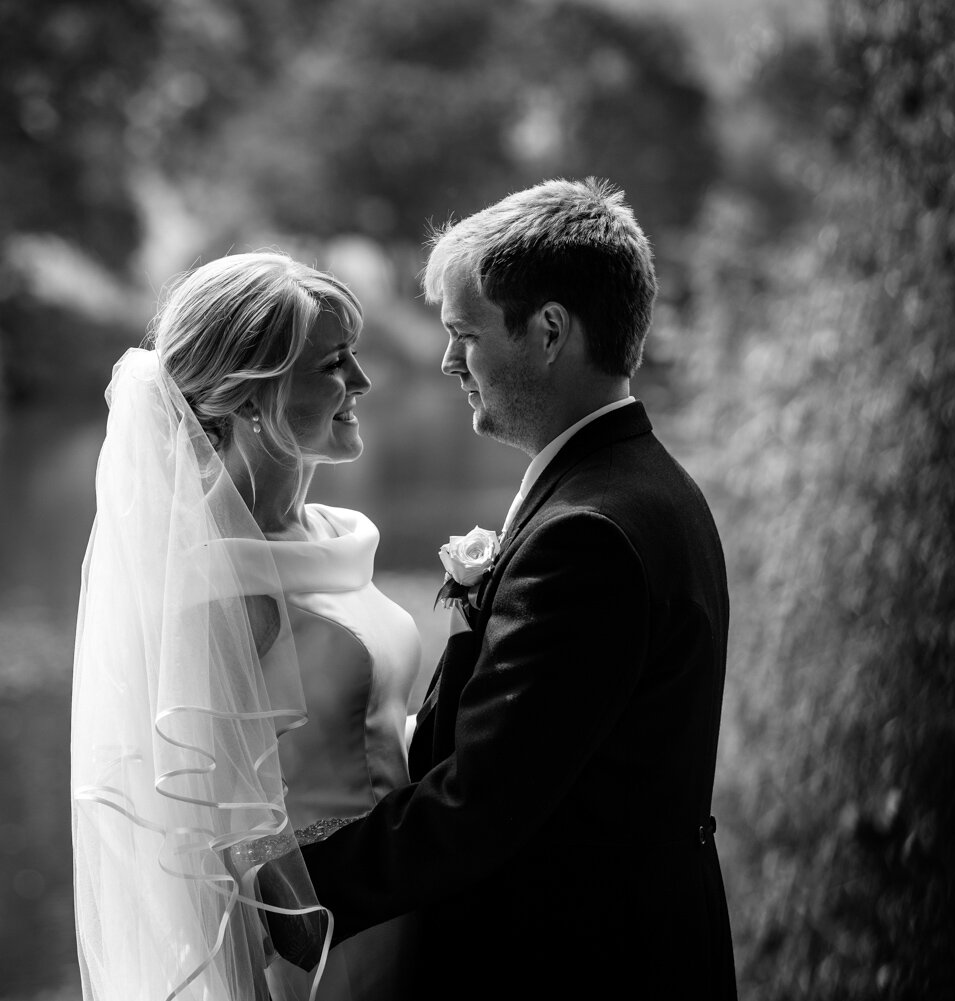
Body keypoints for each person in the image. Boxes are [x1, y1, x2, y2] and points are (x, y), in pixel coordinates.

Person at [276, 178, 739, 998]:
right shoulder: (641, 484)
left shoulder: (587, 533)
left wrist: (292, 888)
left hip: (578, 964)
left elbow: (482, 799)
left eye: (466, 333)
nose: (450, 360)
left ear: (550, 331)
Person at [70, 252, 422, 1001]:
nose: (361, 381)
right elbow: (216, 837)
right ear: (253, 397)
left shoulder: (329, 536)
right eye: (334, 364)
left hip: (412, 896)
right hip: (331, 944)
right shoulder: (212, 587)